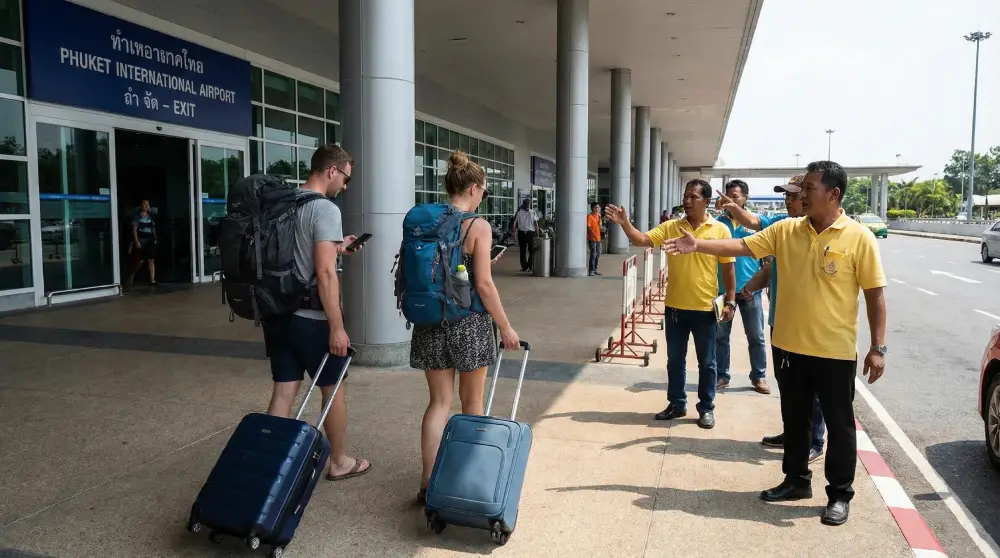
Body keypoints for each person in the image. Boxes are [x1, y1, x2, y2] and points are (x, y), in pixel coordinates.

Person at [662, 161, 887, 526]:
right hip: (788, 348)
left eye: (809, 188)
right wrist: (697, 244)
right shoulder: (786, 230)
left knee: (840, 426)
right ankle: (796, 481)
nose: (801, 194)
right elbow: (741, 243)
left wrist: (878, 348)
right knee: (795, 420)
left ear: (833, 194)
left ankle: (839, 495)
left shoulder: (859, 237)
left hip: (834, 353)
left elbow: (875, 295)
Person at [412, 150, 521, 502]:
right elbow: (484, 286)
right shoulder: (477, 225)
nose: (482, 198)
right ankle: (465, 481)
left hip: (430, 321)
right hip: (469, 324)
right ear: (474, 189)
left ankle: (428, 481)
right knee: (471, 404)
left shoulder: (429, 221)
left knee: (438, 403)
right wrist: (505, 327)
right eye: (484, 192)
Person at [261, 144, 372, 482]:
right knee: (332, 387)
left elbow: (296, 250)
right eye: (346, 178)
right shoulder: (324, 209)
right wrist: (336, 326)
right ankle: (338, 461)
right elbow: (324, 274)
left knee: (284, 390)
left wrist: (338, 245)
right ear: (331, 171)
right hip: (309, 318)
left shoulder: (285, 202)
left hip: (276, 312)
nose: (346, 186)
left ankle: (268, 464)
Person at [605, 179, 736, 429]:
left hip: (706, 309)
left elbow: (729, 268)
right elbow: (642, 240)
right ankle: (677, 403)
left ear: (706, 201)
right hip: (675, 307)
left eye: (693, 197)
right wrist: (625, 224)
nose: (687, 201)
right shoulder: (671, 227)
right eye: (686, 196)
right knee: (675, 360)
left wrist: (730, 300)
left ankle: (706, 408)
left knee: (707, 363)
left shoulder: (720, 230)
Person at [726, 175, 827, 463]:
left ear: (809, 197)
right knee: (788, 385)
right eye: (787, 196)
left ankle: (815, 440)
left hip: (811, 326)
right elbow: (769, 266)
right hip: (781, 321)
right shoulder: (783, 229)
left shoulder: (823, 233)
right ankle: (792, 433)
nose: (789, 201)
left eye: (793, 195)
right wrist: (748, 288)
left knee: (812, 388)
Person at [711, 179, 769, 394]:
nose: (730, 200)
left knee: (756, 336)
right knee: (720, 336)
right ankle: (721, 375)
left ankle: (759, 376)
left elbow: (767, 255)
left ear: (745, 198)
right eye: (727, 196)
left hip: (750, 289)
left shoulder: (756, 224)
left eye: (735, 196)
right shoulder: (718, 223)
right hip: (724, 290)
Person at [125, 200, 157, 288]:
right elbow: (134, 230)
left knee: (151, 260)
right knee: (139, 262)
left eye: (148, 204)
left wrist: (155, 238)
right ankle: (131, 276)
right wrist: (136, 241)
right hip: (141, 240)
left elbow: (153, 227)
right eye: (145, 204)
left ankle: (152, 280)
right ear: (141, 206)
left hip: (150, 240)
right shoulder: (137, 216)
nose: (147, 206)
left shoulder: (150, 216)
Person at [513, 198, 538, 272]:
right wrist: (538, 234)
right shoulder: (532, 212)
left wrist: (514, 233)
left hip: (522, 233)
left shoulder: (519, 212)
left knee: (523, 251)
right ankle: (530, 266)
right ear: (529, 204)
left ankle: (525, 266)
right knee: (531, 251)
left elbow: (515, 224)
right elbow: (536, 224)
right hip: (530, 233)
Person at [587, 203, 602, 276]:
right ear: (592, 208)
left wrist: (600, 219)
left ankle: (595, 269)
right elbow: (589, 227)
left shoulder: (598, 216)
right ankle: (591, 270)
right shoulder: (590, 217)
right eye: (596, 207)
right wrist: (593, 235)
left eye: (598, 207)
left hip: (598, 238)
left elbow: (600, 226)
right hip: (592, 239)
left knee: (598, 254)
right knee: (593, 254)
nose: (597, 209)